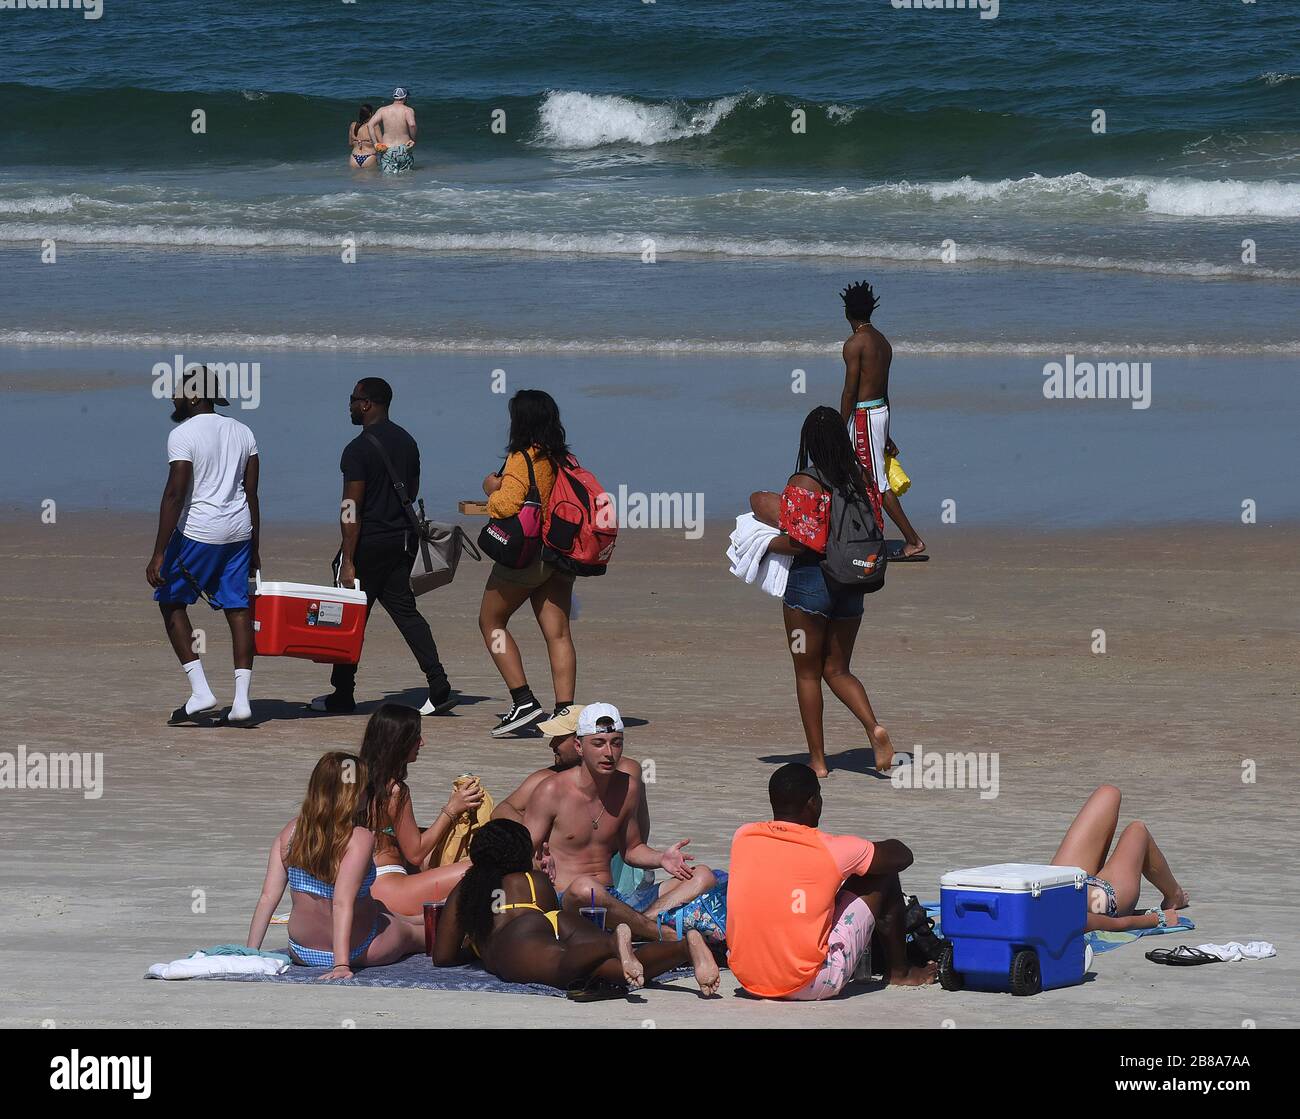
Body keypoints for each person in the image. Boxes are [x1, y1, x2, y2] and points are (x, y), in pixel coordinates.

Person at [750, 406, 897, 776]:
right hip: (854, 583)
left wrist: (762, 545)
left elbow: (802, 544)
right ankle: (873, 727)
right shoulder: (861, 478)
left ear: (809, 443)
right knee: (839, 668)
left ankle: (817, 761)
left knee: (806, 673)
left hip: (810, 589)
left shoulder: (806, 482)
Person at [433, 819, 720, 996]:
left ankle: (610, 944)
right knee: (618, 973)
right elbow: (549, 920)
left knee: (562, 967)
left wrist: (476, 948)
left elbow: (443, 955)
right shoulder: (535, 879)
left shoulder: (470, 886)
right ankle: (684, 947)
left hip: (515, 937)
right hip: (557, 920)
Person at [727, 763, 938, 1000]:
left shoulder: (743, 836)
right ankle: (901, 971)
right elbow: (902, 856)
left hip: (749, 979)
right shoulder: (832, 848)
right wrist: (860, 856)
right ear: (812, 802)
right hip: (808, 983)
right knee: (882, 874)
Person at [311, 377, 456, 717]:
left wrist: (348, 560)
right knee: (406, 614)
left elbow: (351, 507)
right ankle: (439, 684)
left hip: (367, 546)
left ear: (367, 404)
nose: (348, 405)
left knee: (348, 619)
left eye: (353, 399)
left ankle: (343, 695)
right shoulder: (407, 441)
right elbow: (411, 490)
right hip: (401, 542)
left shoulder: (357, 450)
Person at [523, 703, 717, 941]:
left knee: (704, 875)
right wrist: (536, 865)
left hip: (615, 898)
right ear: (578, 746)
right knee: (586, 888)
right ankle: (658, 934)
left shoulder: (628, 787)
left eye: (616, 743)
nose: (609, 753)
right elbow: (518, 852)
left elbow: (632, 849)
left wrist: (661, 858)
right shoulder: (551, 790)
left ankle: (638, 924)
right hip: (569, 898)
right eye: (598, 743)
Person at [146, 364, 260, 726]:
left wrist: (160, 551)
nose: (174, 395)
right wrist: (254, 544)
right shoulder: (244, 431)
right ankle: (242, 702)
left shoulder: (184, 434)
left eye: (178, 390)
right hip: (239, 530)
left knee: (171, 601)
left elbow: (175, 492)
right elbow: (252, 493)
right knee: (238, 609)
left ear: (194, 396)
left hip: (199, 532)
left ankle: (200, 691)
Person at [246, 751, 423, 981]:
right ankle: (438, 926)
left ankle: (419, 917)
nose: (368, 793)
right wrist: (341, 964)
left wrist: (250, 953)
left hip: (302, 950)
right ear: (351, 793)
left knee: (379, 906)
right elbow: (341, 902)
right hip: (358, 948)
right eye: (365, 787)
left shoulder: (290, 833)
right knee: (418, 934)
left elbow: (268, 898)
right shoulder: (358, 838)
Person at [478, 389, 577, 737]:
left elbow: (507, 505)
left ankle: (523, 701)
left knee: (491, 622)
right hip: (561, 555)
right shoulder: (563, 457)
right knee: (558, 633)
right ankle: (565, 711)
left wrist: (492, 486)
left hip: (528, 557)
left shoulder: (522, 458)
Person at [493, 704, 652, 896]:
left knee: (698, 877)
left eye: (559, 738)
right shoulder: (548, 781)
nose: (552, 745)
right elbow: (500, 810)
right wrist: (544, 837)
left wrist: (663, 858)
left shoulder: (626, 774)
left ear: (579, 741)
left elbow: (638, 840)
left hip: (613, 872)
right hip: (571, 887)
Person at [358, 704, 485, 916]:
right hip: (389, 889)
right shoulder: (395, 790)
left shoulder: (360, 780)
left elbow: (389, 832)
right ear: (399, 742)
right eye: (417, 737)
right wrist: (451, 810)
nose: (422, 743)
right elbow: (415, 853)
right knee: (483, 868)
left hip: (366, 884)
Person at [838, 280, 926, 560]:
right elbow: (884, 391)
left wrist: (840, 428)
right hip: (879, 413)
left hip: (863, 416)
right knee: (863, 478)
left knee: (876, 482)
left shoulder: (855, 343)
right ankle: (864, 535)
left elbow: (850, 391)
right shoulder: (882, 342)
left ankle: (912, 540)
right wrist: (886, 432)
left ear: (847, 312)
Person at [1050, 784, 1190, 932]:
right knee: (1137, 831)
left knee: (1108, 793)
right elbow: (1089, 923)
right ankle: (1174, 895)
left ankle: (1174, 894)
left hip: (1062, 885)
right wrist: (1156, 919)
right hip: (1101, 901)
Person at [368, 87, 417, 174]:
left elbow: (370, 125)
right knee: (405, 177)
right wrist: (412, 140)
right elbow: (412, 125)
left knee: (388, 179)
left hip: (387, 149)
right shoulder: (408, 110)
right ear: (405, 97)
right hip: (404, 148)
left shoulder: (383, 110)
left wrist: (375, 143)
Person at [347, 104, 378, 170]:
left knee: (356, 180)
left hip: (354, 157)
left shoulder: (353, 125)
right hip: (369, 157)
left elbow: (350, 144)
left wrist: (359, 141)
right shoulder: (374, 126)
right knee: (373, 180)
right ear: (370, 114)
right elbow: (381, 144)